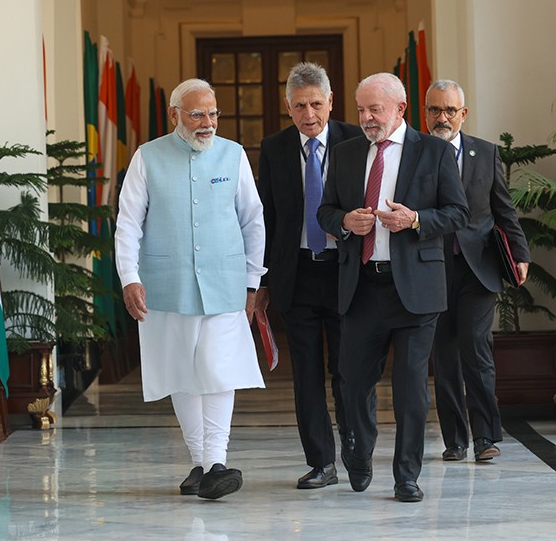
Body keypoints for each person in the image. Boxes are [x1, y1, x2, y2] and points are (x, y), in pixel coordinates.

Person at [317, 72, 470, 502]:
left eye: (375, 110)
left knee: (410, 392)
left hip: (416, 291)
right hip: (361, 288)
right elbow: (325, 211)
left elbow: (458, 212)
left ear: (400, 109)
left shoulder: (435, 152)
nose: (366, 118)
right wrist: (345, 221)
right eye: (361, 109)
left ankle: (407, 476)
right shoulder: (345, 154)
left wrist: (416, 219)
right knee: (353, 384)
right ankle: (360, 455)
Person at [115, 78, 267, 500]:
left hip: (225, 282)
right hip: (165, 284)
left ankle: (216, 461)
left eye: (213, 114)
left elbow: (253, 220)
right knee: (181, 373)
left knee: (219, 370)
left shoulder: (233, 155)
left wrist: (254, 280)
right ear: (175, 115)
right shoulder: (147, 157)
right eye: (198, 114)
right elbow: (128, 223)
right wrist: (130, 277)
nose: (208, 123)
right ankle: (202, 463)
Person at [257, 62, 361, 489]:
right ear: (288, 106)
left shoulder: (354, 140)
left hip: (345, 273)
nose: (309, 114)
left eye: (316, 103)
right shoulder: (274, 147)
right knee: (306, 375)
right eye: (299, 105)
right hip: (296, 275)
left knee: (349, 371)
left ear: (330, 102)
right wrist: (261, 282)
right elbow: (266, 216)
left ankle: (357, 453)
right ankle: (322, 462)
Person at [425, 80, 530, 463]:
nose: (443, 117)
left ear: (463, 114)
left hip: (479, 269)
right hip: (432, 269)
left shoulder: (485, 153)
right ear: (426, 114)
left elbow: (504, 209)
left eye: (450, 110)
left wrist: (520, 253)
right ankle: (454, 440)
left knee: (476, 347)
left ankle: (486, 435)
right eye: (435, 110)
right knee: (445, 355)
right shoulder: (416, 155)